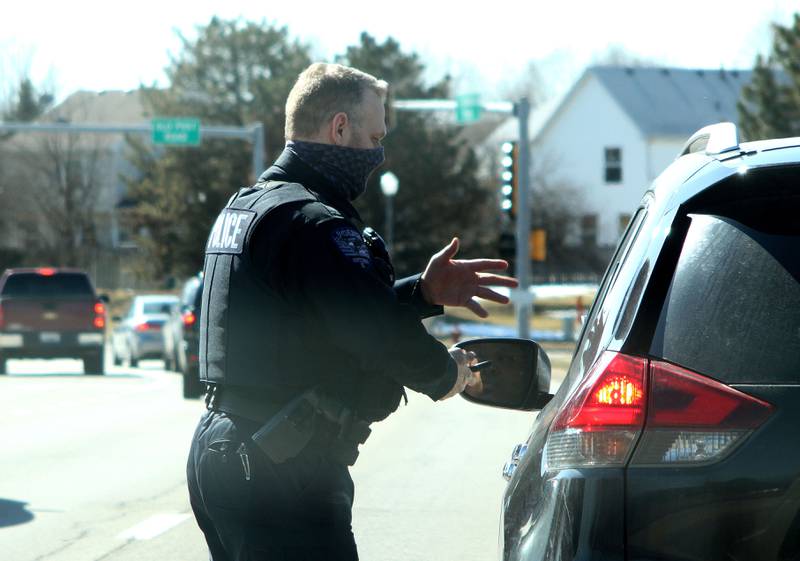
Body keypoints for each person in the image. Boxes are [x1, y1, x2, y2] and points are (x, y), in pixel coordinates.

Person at [186, 62, 518, 561]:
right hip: (283, 468)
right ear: (339, 129)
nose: (378, 155)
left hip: (227, 450)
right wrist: (443, 373)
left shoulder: (249, 208)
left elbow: (319, 313)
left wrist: (422, 294)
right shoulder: (313, 221)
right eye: (374, 137)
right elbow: (368, 331)